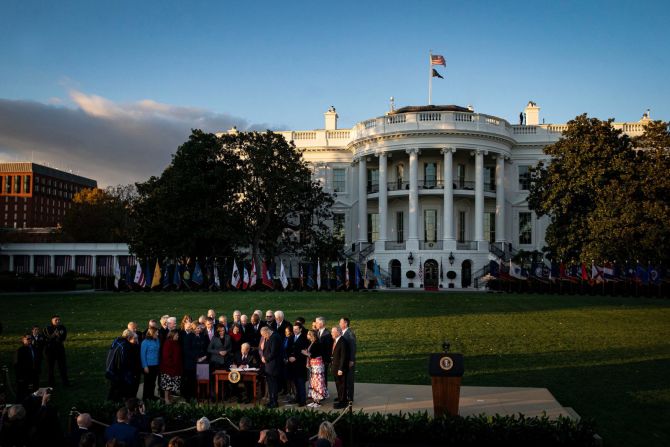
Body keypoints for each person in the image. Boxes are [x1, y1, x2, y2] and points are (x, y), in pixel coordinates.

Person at [303, 330, 328, 407]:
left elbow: (314, 354)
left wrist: (305, 353)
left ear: (311, 335)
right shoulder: (312, 343)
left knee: (318, 382)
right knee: (313, 382)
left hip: (317, 366)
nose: (307, 335)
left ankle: (318, 401)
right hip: (313, 365)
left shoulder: (317, 343)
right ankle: (314, 400)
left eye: (308, 334)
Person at [44, 315, 70, 387]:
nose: (58, 321)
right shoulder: (47, 328)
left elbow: (63, 338)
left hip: (60, 350)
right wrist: (53, 335)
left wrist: (58, 336)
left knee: (62, 367)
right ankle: (51, 384)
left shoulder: (62, 327)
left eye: (58, 320)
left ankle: (65, 383)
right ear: (52, 321)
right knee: (50, 368)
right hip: (50, 351)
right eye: (56, 320)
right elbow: (47, 338)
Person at [287, 324, 308, 407]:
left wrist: (295, 357)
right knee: (295, 382)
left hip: (300, 364)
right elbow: (288, 349)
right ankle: (297, 397)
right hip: (292, 365)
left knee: (300, 383)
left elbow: (304, 352)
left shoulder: (304, 339)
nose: (295, 330)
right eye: (293, 329)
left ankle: (302, 400)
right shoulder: (291, 337)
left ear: (300, 329)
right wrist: (289, 357)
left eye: (296, 329)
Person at [260, 326, 281, 408]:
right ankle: (271, 401)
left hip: (273, 365)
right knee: (270, 384)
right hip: (269, 365)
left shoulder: (274, 337)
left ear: (267, 332)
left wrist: (266, 359)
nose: (264, 337)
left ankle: (274, 402)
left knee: (273, 384)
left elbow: (273, 352)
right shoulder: (270, 337)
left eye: (264, 335)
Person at [160, 330, 183, 403]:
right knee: (167, 385)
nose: (178, 336)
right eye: (176, 335)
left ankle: (170, 398)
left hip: (176, 367)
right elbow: (166, 356)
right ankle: (166, 399)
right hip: (168, 368)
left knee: (172, 385)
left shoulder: (176, 343)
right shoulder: (168, 343)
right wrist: (172, 364)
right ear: (172, 335)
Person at [330, 326, 350, 409]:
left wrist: (341, 369)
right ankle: (340, 397)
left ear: (338, 332)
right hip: (335, 366)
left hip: (340, 368)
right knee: (338, 383)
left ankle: (343, 402)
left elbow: (343, 357)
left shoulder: (343, 342)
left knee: (342, 384)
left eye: (333, 332)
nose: (331, 333)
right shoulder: (336, 340)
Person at [14, 333, 38, 401]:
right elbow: (16, 365)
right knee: (22, 393)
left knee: (33, 392)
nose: (29, 340)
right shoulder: (20, 350)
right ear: (23, 340)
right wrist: (19, 377)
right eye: (28, 339)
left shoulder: (34, 348)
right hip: (23, 375)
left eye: (31, 339)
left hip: (33, 374)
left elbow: (37, 360)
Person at [340, 317, 357, 402]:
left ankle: (350, 398)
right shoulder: (343, 332)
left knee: (349, 379)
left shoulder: (350, 333)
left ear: (345, 323)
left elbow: (353, 348)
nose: (339, 324)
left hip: (349, 361)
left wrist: (352, 360)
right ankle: (343, 396)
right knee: (344, 379)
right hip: (344, 360)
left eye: (341, 322)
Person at [141, 327, 160, 401]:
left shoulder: (157, 340)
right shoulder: (145, 342)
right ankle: (145, 398)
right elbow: (142, 355)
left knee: (153, 382)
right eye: (156, 333)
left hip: (156, 365)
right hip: (148, 366)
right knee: (147, 382)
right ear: (152, 333)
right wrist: (145, 366)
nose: (158, 334)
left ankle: (151, 396)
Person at [315, 317, 332, 387]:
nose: (315, 324)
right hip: (317, 359)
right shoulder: (317, 332)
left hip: (324, 359)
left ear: (321, 324)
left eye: (316, 323)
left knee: (323, 376)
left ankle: (324, 391)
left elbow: (328, 348)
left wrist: (326, 360)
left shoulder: (327, 334)